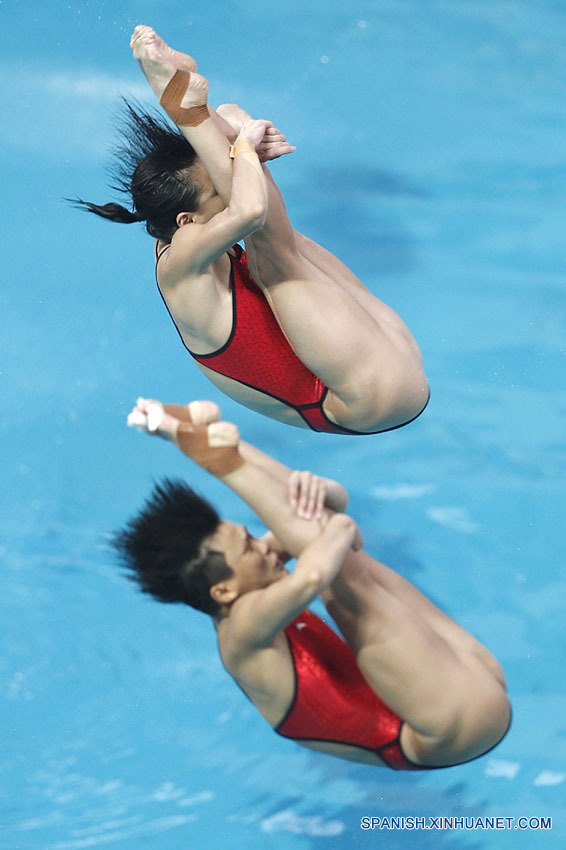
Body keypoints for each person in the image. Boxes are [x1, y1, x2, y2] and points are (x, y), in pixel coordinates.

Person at [113, 397, 511, 769]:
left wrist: (323, 492)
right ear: (223, 592)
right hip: (442, 732)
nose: (262, 544)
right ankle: (221, 461)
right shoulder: (243, 630)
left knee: (330, 544)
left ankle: (212, 446)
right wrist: (339, 526)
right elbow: (315, 574)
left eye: (251, 536)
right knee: (341, 579)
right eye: (250, 547)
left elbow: (317, 515)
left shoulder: (247, 582)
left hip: (463, 687)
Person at [75, 25, 429, 435]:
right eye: (216, 187)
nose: (230, 178)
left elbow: (236, 131)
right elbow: (250, 210)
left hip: (381, 362)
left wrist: (241, 141)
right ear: (186, 221)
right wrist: (245, 146)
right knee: (272, 252)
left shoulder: (193, 224)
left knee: (276, 241)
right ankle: (180, 105)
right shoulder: (182, 257)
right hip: (361, 400)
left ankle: (185, 103)